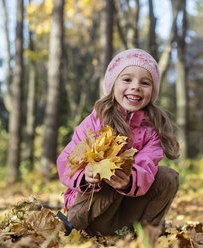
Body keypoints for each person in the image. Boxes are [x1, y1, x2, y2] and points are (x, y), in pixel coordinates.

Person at [57, 48, 180, 236]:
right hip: (90, 215)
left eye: (145, 83)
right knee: (108, 167)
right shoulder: (96, 121)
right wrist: (85, 175)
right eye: (127, 79)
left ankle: (147, 235)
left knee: (168, 176)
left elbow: (147, 167)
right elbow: (67, 161)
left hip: (124, 217)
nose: (136, 87)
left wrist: (129, 182)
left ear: (152, 91)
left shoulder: (151, 131)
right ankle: (72, 227)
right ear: (113, 85)